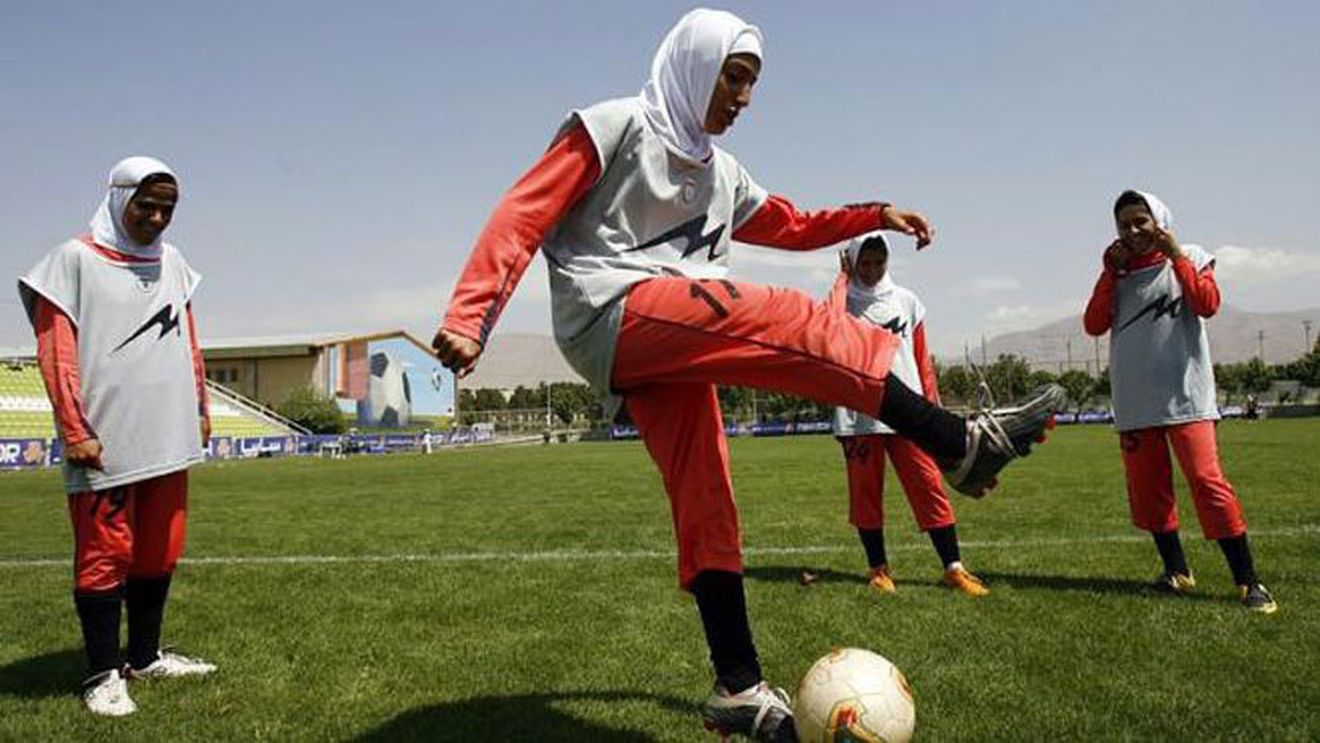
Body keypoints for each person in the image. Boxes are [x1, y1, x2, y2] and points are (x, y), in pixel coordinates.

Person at [431, 10, 1064, 739]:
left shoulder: (721, 172)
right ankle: (955, 438)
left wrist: (875, 214)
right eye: (734, 78)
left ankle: (737, 684)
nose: (744, 97)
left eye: (752, 84)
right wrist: (471, 314)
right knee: (785, 317)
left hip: (671, 337)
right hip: (613, 310)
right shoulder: (612, 126)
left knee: (709, 493)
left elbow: (792, 224)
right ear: (696, 67)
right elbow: (523, 211)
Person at [17, 156, 217, 717]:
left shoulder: (173, 262)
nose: (156, 218)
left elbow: (189, 339)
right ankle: (102, 674)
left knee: (159, 549)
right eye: (146, 205)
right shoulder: (71, 261)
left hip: (168, 433)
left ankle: (146, 656)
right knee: (106, 554)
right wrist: (74, 429)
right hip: (105, 440)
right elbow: (56, 352)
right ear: (117, 198)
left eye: (167, 209)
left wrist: (200, 406)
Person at [1083, 189, 1276, 614]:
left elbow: (1207, 304)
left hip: (1186, 397)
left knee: (1208, 484)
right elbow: (1094, 324)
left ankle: (1249, 581)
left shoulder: (1190, 255)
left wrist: (1177, 257)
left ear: (1161, 220)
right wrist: (1107, 274)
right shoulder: (1118, 273)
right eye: (1124, 225)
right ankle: (1177, 571)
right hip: (1136, 404)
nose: (1132, 231)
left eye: (1141, 221)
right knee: (1150, 492)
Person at [828, 234, 988, 597]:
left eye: (877, 263)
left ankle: (953, 568)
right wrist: (842, 279)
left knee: (928, 486)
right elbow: (827, 327)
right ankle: (878, 570)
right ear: (851, 262)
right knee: (866, 494)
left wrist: (934, 413)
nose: (870, 270)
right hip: (858, 415)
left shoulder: (908, 301)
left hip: (910, 415)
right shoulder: (843, 303)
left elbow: (921, 360)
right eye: (863, 264)